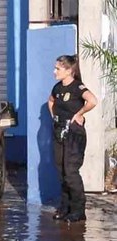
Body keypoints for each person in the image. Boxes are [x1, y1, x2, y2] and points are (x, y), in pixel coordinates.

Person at [48, 55, 97, 222]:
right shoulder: (57, 88)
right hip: (59, 131)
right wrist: (54, 117)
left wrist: (79, 114)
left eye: (58, 69)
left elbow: (92, 100)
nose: (54, 71)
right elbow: (51, 101)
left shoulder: (77, 87)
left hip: (73, 134)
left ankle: (78, 210)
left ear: (69, 71)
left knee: (71, 172)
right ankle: (65, 207)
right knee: (61, 171)